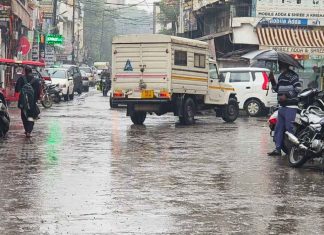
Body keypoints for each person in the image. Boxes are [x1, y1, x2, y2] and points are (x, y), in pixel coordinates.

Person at [268, 61, 302, 156]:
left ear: (285, 64)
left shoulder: (293, 76)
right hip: (282, 107)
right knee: (279, 129)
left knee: (289, 129)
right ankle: (277, 149)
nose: (278, 66)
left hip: (290, 106)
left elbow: (298, 89)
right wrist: (272, 80)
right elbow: (277, 89)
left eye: (280, 64)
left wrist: (286, 96)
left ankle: (293, 151)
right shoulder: (281, 76)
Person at [15, 66, 41, 138]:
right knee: (31, 117)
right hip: (32, 103)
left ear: (25, 71)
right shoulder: (36, 80)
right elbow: (38, 92)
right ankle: (29, 131)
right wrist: (37, 99)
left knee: (24, 117)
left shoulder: (21, 79)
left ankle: (26, 130)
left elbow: (17, 90)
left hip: (23, 102)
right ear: (31, 72)